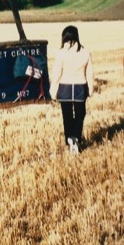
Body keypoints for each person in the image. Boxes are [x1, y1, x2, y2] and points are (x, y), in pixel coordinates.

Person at [49, 25, 94, 155]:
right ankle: (76, 138)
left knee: (67, 116)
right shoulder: (85, 52)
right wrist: (90, 89)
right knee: (80, 115)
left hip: (64, 88)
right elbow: (90, 73)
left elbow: (56, 73)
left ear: (64, 37)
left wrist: (53, 92)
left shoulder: (61, 53)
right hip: (80, 87)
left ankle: (70, 139)